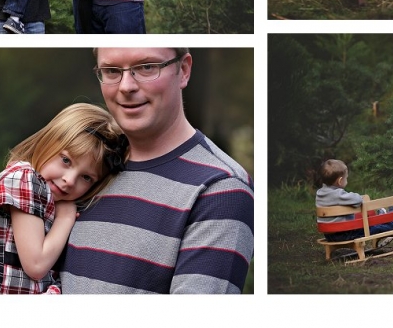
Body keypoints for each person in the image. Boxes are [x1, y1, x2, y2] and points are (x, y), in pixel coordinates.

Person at [60, 48, 254, 294]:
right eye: (111, 71)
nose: (126, 86)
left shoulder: (222, 189)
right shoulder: (84, 170)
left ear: (184, 70)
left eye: (146, 67)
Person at [0, 104, 125, 293]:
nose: (70, 180)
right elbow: (36, 265)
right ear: (48, 142)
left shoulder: (44, 194)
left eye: (86, 177)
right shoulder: (24, 179)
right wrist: (65, 218)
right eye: (66, 160)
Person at [315, 158, 393, 241]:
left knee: (367, 224)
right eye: (346, 178)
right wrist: (360, 197)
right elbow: (357, 200)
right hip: (345, 233)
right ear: (340, 181)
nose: (346, 180)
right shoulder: (338, 194)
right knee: (373, 228)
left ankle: (381, 219)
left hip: (329, 235)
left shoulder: (319, 193)